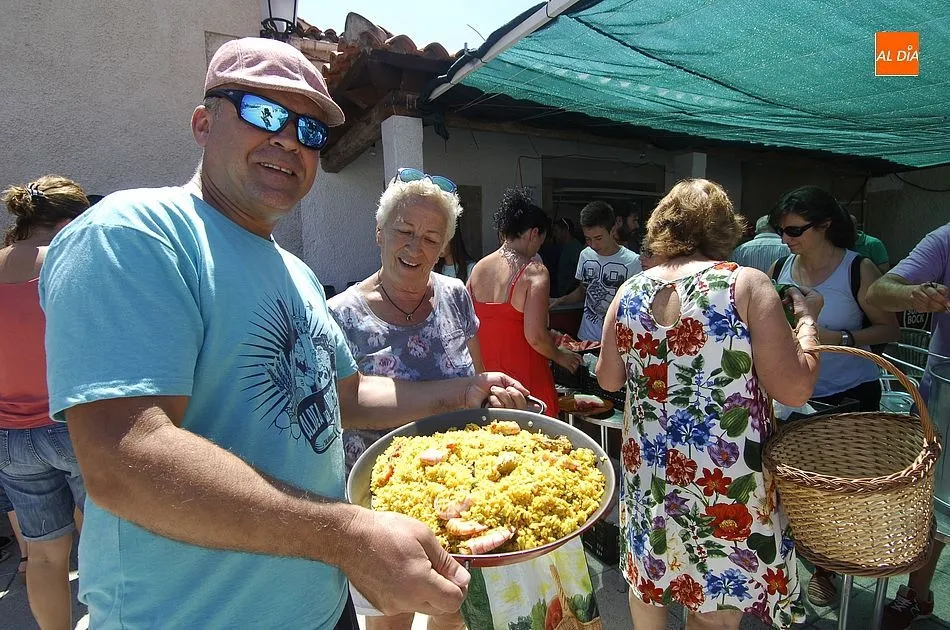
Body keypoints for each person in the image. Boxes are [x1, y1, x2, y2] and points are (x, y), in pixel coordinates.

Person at [38, 38, 527, 629]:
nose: (288, 140)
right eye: (262, 113)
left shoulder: (295, 273)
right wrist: (347, 535)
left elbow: (343, 397)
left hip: (319, 608)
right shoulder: (135, 233)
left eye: (310, 131)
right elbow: (123, 456)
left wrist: (459, 392)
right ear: (202, 122)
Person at [597, 178, 823, 630]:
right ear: (725, 229)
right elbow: (795, 389)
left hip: (651, 476)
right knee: (714, 609)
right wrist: (808, 324)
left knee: (649, 583)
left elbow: (607, 378)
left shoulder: (631, 290)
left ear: (662, 226)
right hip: (723, 481)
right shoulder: (745, 285)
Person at [329, 168, 479, 630]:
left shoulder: (456, 295)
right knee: (391, 618)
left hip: (460, 491)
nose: (416, 247)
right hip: (384, 497)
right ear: (380, 233)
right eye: (405, 231)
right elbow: (343, 407)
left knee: (453, 612)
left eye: (432, 238)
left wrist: (495, 391)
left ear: (444, 247)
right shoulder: (341, 315)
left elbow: (475, 378)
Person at [767, 186, 898, 606]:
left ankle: (826, 569)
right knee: (793, 489)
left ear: (825, 225)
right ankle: (796, 559)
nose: (787, 238)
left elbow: (889, 331)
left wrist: (833, 337)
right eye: (781, 230)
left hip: (848, 396)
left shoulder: (858, 269)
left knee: (837, 492)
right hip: (794, 394)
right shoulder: (780, 267)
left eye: (795, 230)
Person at [0, 175, 90, 630]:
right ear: (69, 221)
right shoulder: (71, 261)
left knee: (44, 556)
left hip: (10, 437)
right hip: (74, 424)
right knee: (106, 543)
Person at [866, 222, 950, 630]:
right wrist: (914, 294)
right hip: (947, 386)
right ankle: (916, 593)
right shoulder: (945, 239)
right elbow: (880, 290)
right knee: (936, 496)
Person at [468, 188, 583, 418]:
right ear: (533, 233)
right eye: (541, 240)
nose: (539, 247)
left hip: (490, 384)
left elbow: (470, 329)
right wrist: (560, 356)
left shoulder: (478, 268)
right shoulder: (534, 272)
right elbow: (535, 336)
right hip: (527, 385)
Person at [550, 201, 642, 341]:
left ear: (612, 229)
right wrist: (560, 301)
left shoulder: (633, 262)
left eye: (598, 238)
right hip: (585, 338)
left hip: (616, 342)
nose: (593, 244)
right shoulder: (585, 255)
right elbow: (583, 291)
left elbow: (636, 308)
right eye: (588, 239)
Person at [552, 216, 583, 297]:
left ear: (565, 231)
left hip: (571, 297)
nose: (554, 235)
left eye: (556, 231)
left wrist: (571, 290)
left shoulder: (575, 249)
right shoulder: (564, 248)